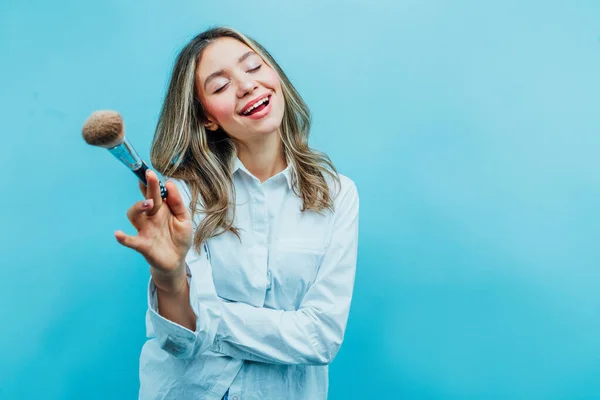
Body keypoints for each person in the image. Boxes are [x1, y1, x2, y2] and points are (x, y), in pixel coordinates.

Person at [114, 26, 360, 400]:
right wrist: (169, 277)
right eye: (220, 86)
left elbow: (320, 338)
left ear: (274, 75)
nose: (246, 86)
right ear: (208, 118)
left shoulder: (338, 195)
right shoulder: (181, 198)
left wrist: (206, 316)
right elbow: (179, 342)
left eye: (253, 67)